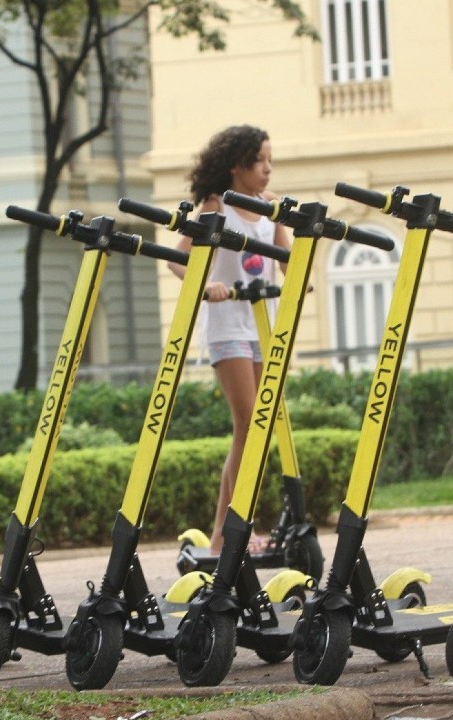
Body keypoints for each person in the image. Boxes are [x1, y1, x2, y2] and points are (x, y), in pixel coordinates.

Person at [168, 125, 290, 554]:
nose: (268, 169)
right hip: (227, 328)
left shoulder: (271, 208)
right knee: (251, 424)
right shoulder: (217, 207)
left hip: (262, 325)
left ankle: (224, 534)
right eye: (261, 162)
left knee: (252, 430)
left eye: (270, 161)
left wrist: (300, 279)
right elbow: (178, 261)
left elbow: (288, 260)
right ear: (237, 165)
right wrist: (205, 286)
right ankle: (236, 528)